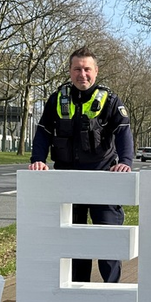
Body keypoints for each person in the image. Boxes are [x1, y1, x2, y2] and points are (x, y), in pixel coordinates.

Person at [28, 46, 133, 283]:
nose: (82, 74)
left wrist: (125, 162)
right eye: (77, 69)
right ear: (69, 71)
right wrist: (38, 160)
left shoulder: (111, 100)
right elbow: (43, 132)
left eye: (87, 69)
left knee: (108, 240)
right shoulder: (57, 99)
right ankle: (77, 291)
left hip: (102, 180)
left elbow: (124, 132)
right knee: (73, 242)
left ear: (96, 71)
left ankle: (111, 292)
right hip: (67, 180)